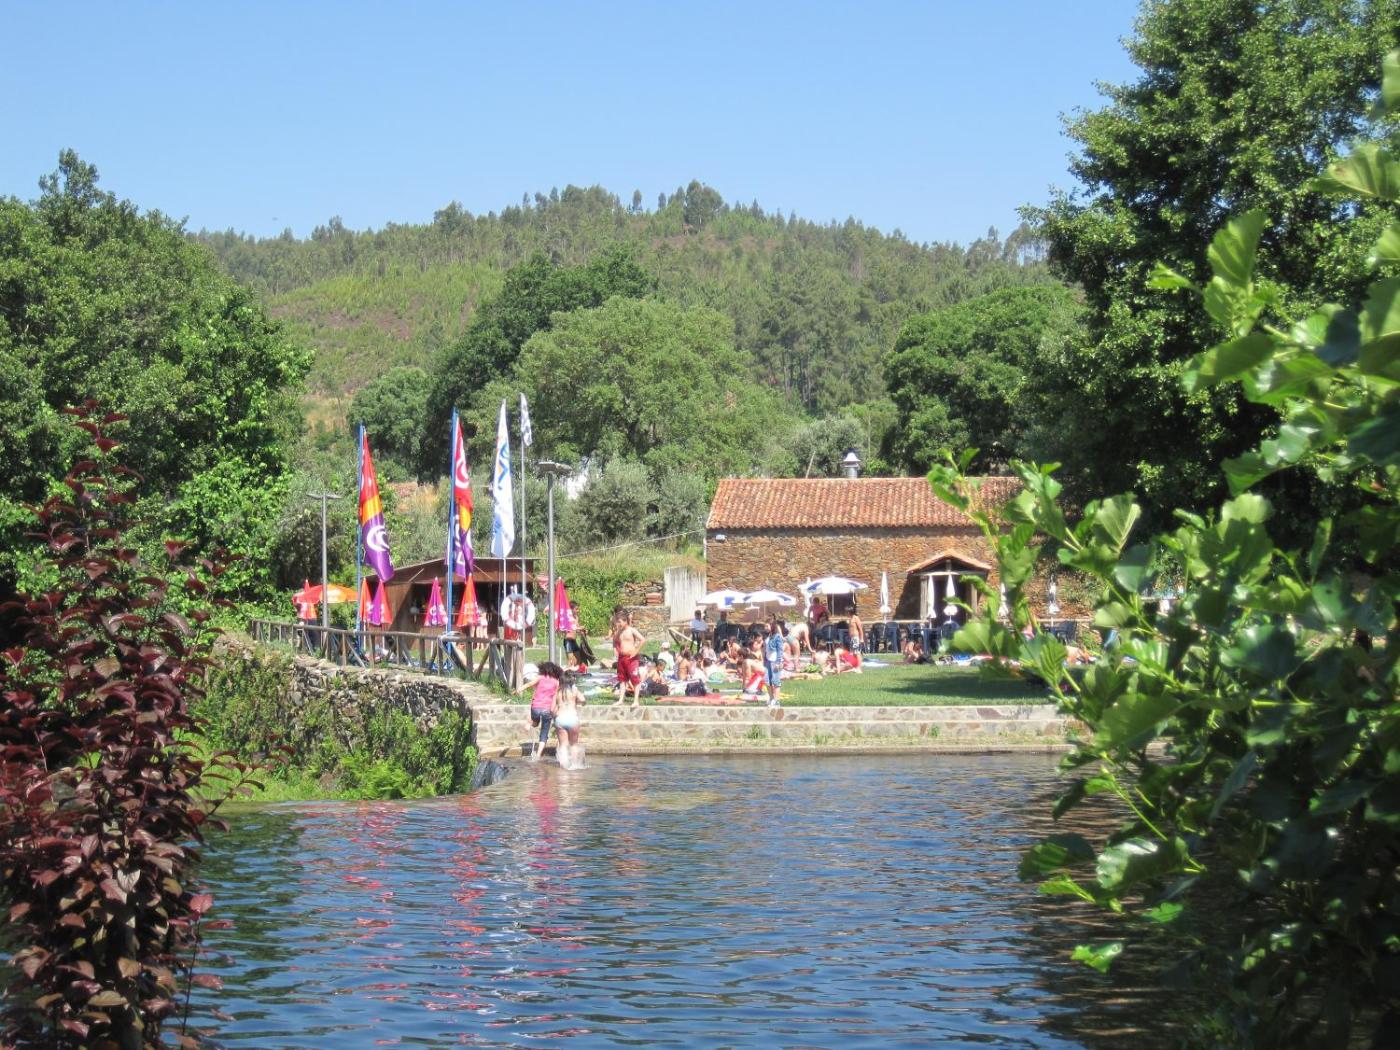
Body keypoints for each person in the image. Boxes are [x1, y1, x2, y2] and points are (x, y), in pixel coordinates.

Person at [519, 660, 564, 761]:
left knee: (535, 723)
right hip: (547, 709)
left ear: (543, 669)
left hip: (536, 706)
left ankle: (529, 723)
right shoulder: (557, 682)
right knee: (544, 732)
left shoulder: (540, 677)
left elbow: (529, 684)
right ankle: (538, 755)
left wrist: (520, 689)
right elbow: (557, 697)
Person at [553, 671, 586, 769]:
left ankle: (564, 766)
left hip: (560, 718)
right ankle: (575, 766)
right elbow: (583, 700)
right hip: (572, 718)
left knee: (563, 745)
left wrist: (555, 715)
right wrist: (577, 702)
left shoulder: (557, 691)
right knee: (574, 745)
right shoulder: (574, 689)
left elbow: (552, 708)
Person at [612, 610, 645, 707]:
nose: (618, 624)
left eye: (619, 622)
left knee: (635, 678)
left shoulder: (631, 630)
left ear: (625, 621)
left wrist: (636, 651)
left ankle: (636, 701)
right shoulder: (619, 631)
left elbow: (642, 640)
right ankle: (621, 700)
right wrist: (615, 649)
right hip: (622, 658)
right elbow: (614, 640)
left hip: (631, 658)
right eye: (617, 622)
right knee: (622, 679)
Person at [762, 619, 785, 708]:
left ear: (772, 626)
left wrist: (779, 662)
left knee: (776, 681)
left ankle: (777, 701)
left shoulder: (777, 637)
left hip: (775, 661)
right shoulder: (768, 636)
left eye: (767, 626)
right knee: (767, 680)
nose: (765, 627)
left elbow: (780, 650)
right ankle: (771, 698)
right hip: (768, 661)